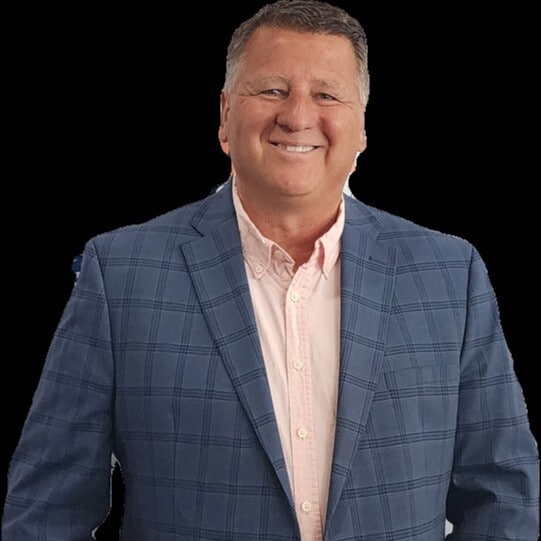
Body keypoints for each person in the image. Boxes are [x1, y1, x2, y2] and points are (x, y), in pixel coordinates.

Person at [3, 1, 539, 539]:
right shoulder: (121, 275)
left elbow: (502, 494)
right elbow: (47, 510)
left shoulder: (450, 275)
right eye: (272, 90)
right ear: (225, 116)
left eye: (326, 95)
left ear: (361, 127)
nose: (297, 116)